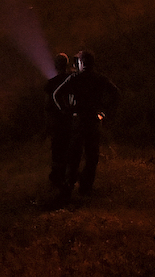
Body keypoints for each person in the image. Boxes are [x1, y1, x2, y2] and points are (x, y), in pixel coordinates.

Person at [52, 50, 120, 199]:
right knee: (91, 156)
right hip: (93, 121)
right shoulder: (99, 79)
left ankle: (69, 186)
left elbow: (56, 94)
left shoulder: (75, 78)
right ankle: (85, 187)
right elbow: (115, 93)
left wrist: (65, 110)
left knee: (74, 155)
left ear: (81, 63)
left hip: (78, 120)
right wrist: (104, 112)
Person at [43, 53, 72, 190]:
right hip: (71, 120)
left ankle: (57, 176)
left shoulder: (51, 84)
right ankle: (68, 175)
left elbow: (48, 105)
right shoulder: (73, 79)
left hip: (57, 122)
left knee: (57, 149)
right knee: (69, 147)